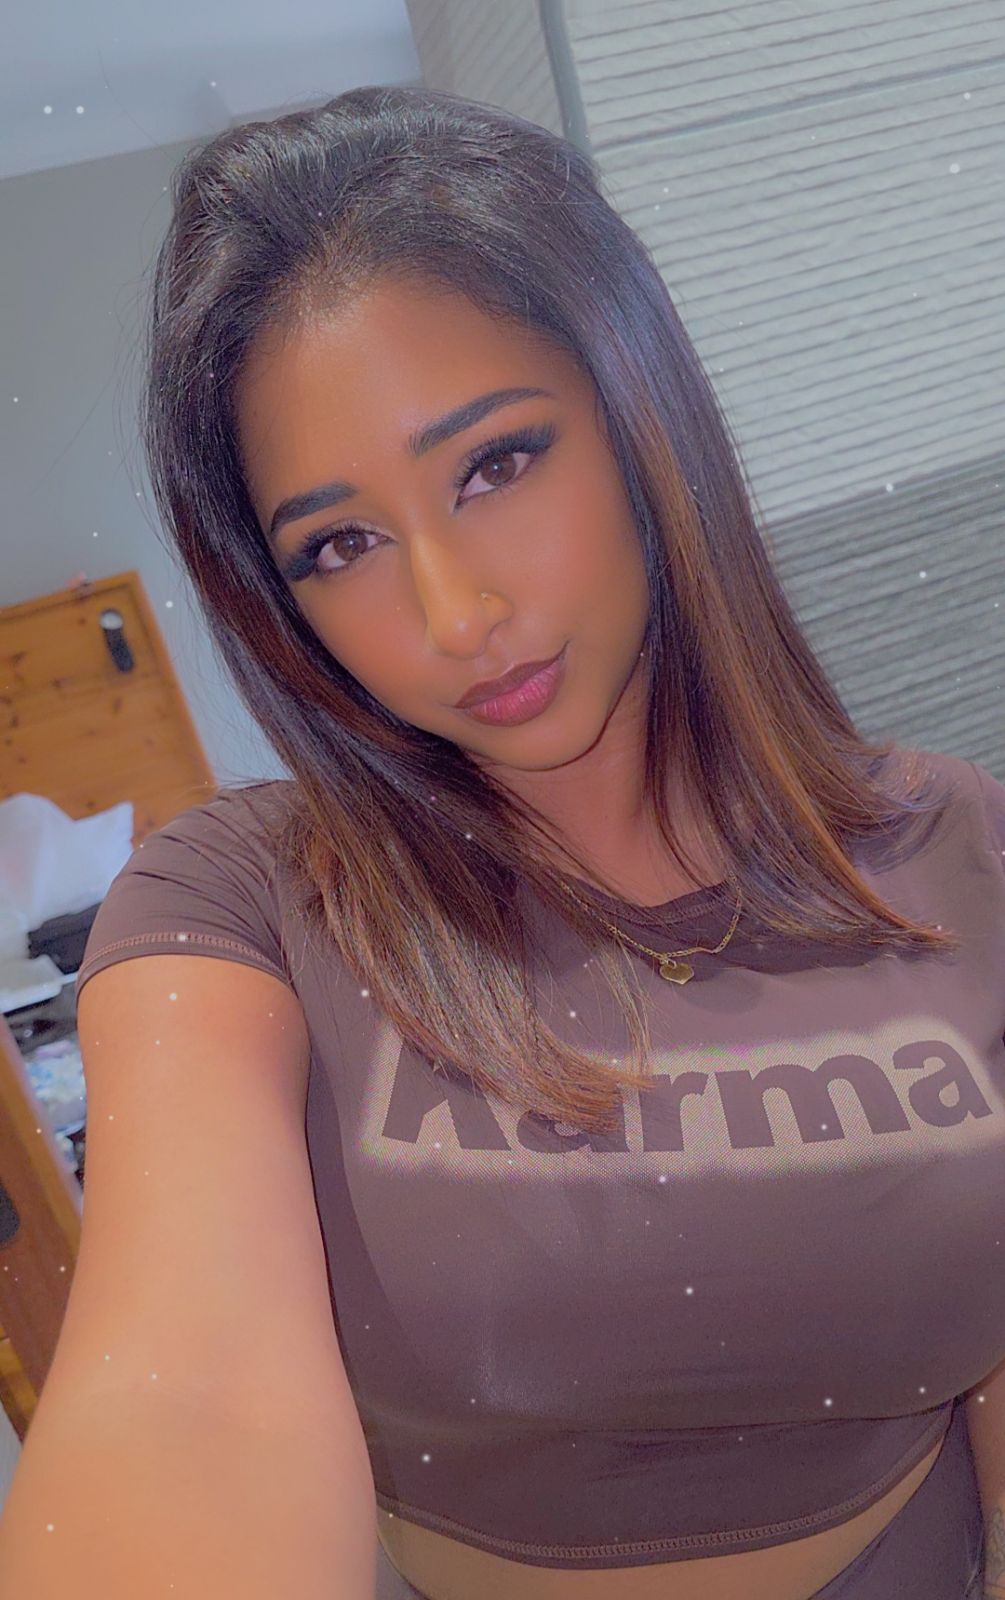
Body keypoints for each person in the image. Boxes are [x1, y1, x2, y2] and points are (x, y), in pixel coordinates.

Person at [0, 83, 999, 1600]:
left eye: (495, 465)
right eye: (340, 544)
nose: (455, 613)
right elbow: (188, 1401)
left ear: (639, 417)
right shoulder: (238, 906)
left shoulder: (962, 854)